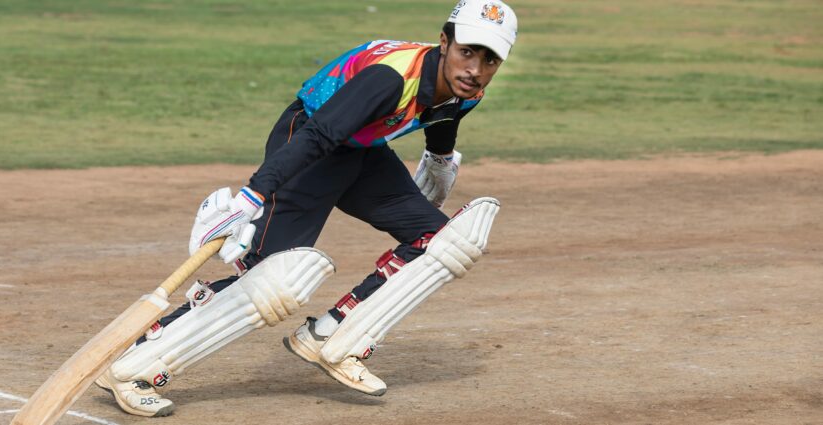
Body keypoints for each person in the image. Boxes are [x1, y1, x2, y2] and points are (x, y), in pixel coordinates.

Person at [95, 1, 517, 417]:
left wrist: (441, 163)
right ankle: (134, 368)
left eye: (490, 59)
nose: (475, 70)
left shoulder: (468, 89)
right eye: (467, 52)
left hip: (361, 153)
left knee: (445, 242)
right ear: (444, 42)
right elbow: (318, 135)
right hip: (309, 147)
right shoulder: (389, 80)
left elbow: (444, 119)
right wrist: (253, 196)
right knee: (272, 281)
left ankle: (330, 337)